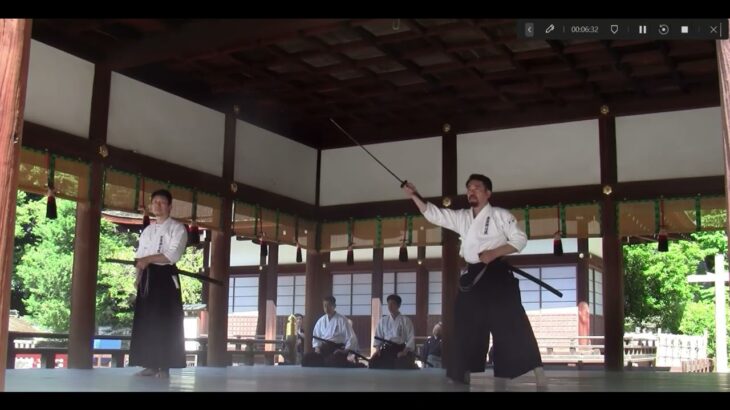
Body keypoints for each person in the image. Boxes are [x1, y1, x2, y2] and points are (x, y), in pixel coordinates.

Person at [402, 174, 546, 388]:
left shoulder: (499, 215)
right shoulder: (463, 217)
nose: (471, 191)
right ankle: (463, 372)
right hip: (474, 276)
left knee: (511, 323)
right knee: (464, 324)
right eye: (468, 188)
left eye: (476, 187)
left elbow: (520, 239)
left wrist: (494, 252)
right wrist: (413, 194)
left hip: (497, 275)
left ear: (488, 193)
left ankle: (536, 370)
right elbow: (435, 215)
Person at [129, 189, 188, 378]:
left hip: (165, 279)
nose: (157, 206)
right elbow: (140, 256)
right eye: (154, 202)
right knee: (147, 321)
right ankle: (150, 364)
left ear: (170, 206)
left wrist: (147, 260)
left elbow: (172, 255)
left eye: (162, 202)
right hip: (147, 277)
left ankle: (165, 365)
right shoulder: (148, 230)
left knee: (165, 321)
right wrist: (138, 277)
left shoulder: (177, 228)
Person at [302, 296, 359, 368]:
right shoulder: (321, 321)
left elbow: (351, 337)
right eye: (325, 306)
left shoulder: (342, 319)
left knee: (332, 361)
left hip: (337, 350)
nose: (326, 308)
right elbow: (316, 337)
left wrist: (344, 351)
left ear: (334, 306)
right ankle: (324, 361)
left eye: (329, 305)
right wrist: (317, 349)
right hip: (323, 350)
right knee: (305, 359)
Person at [369, 294, 418, 370]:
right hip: (387, 349)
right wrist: (378, 350)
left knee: (400, 365)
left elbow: (410, 338)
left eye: (392, 304)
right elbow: (378, 337)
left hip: (400, 349)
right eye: (388, 304)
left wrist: (404, 352)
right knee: (373, 363)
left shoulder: (406, 320)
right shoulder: (383, 321)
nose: (390, 306)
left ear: (398, 305)